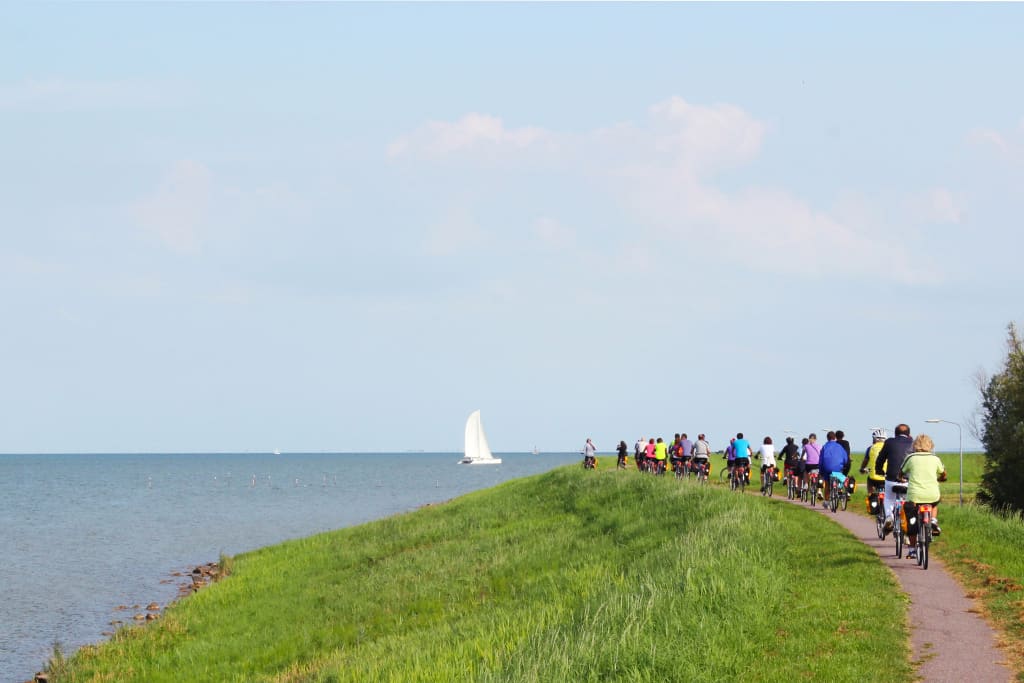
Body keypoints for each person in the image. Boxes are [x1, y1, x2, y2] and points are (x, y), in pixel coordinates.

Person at [899, 434, 947, 558]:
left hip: (914, 496)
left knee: (911, 521)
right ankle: (933, 520)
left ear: (915, 445)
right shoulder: (935, 458)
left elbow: (901, 472)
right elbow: (943, 473)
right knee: (934, 503)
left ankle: (912, 550)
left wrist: (900, 478)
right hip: (932, 494)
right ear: (930, 445)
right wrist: (941, 478)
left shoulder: (911, 458)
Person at [875, 423, 914, 536]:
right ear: (909, 434)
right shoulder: (913, 443)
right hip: (908, 480)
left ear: (895, 434)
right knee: (908, 502)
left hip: (892, 478)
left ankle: (889, 517)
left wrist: (879, 470)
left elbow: (880, 459)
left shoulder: (889, 442)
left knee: (888, 498)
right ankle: (908, 527)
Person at [820, 431, 851, 498]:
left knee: (827, 484)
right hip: (837, 468)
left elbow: (821, 461)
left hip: (827, 469)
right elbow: (845, 458)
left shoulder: (824, 447)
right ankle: (841, 487)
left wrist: (821, 472)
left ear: (827, 438)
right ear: (834, 438)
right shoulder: (839, 446)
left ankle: (826, 501)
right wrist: (844, 464)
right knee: (839, 476)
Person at [859, 428, 888, 496]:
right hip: (886, 478)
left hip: (873, 478)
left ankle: (871, 496)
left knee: (870, 481)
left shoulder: (870, 448)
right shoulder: (889, 448)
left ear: (875, 439)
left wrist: (862, 469)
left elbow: (865, 461)